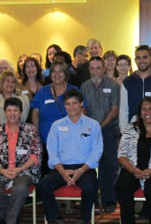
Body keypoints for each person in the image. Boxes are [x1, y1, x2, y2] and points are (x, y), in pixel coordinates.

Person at [39, 89, 102, 224]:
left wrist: (80, 171)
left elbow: (96, 152)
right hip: (61, 167)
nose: (71, 107)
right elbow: (52, 151)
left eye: (74, 103)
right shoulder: (56, 126)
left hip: (85, 168)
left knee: (91, 187)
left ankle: (84, 219)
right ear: (64, 105)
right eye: (68, 104)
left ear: (81, 104)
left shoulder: (93, 125)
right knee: (43, 185)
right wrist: (62, 172)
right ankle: (54, 219)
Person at [0, 97, 42, 224]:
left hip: (24, 171)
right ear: (5, 112)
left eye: (15, 110)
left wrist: (20, 169)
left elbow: (36, 155)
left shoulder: (30, 130)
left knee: (20, 189)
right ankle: (12, 216)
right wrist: (0, 170)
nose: (12, 113)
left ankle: (8, 220)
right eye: (9, 110)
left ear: (21, 113)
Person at [80, 56, 121, 213]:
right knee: (88, 164)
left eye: (98, 68)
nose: (95, 71)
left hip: (109, 129)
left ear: (104, 69)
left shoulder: (113, 85)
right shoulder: (84, 86)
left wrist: (99, 126)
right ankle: (92, 199)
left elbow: (115, 109)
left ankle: (108, 200)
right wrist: (90, 127)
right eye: (92, 68)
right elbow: (83, 108)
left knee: (108, 166)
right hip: (88, 130)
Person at [31, 61, 81, 174]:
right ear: (50, 74)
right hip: (46, 141)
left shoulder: (73, 90)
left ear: (66, 74)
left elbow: (83, 110)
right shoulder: (43, 91)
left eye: (60, 72)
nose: (57, 74)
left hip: (68, 142)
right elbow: (35, 113)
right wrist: (36, 134)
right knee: (46, 175)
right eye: (54, 71)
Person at [119, 45, 151, 130]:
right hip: (133, 130)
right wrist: (124, 133)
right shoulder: (127, 82)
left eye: (145, 57)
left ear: (150, 58)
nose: (141, 60)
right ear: (135, 60)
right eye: (138, 58)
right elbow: (123, 110)